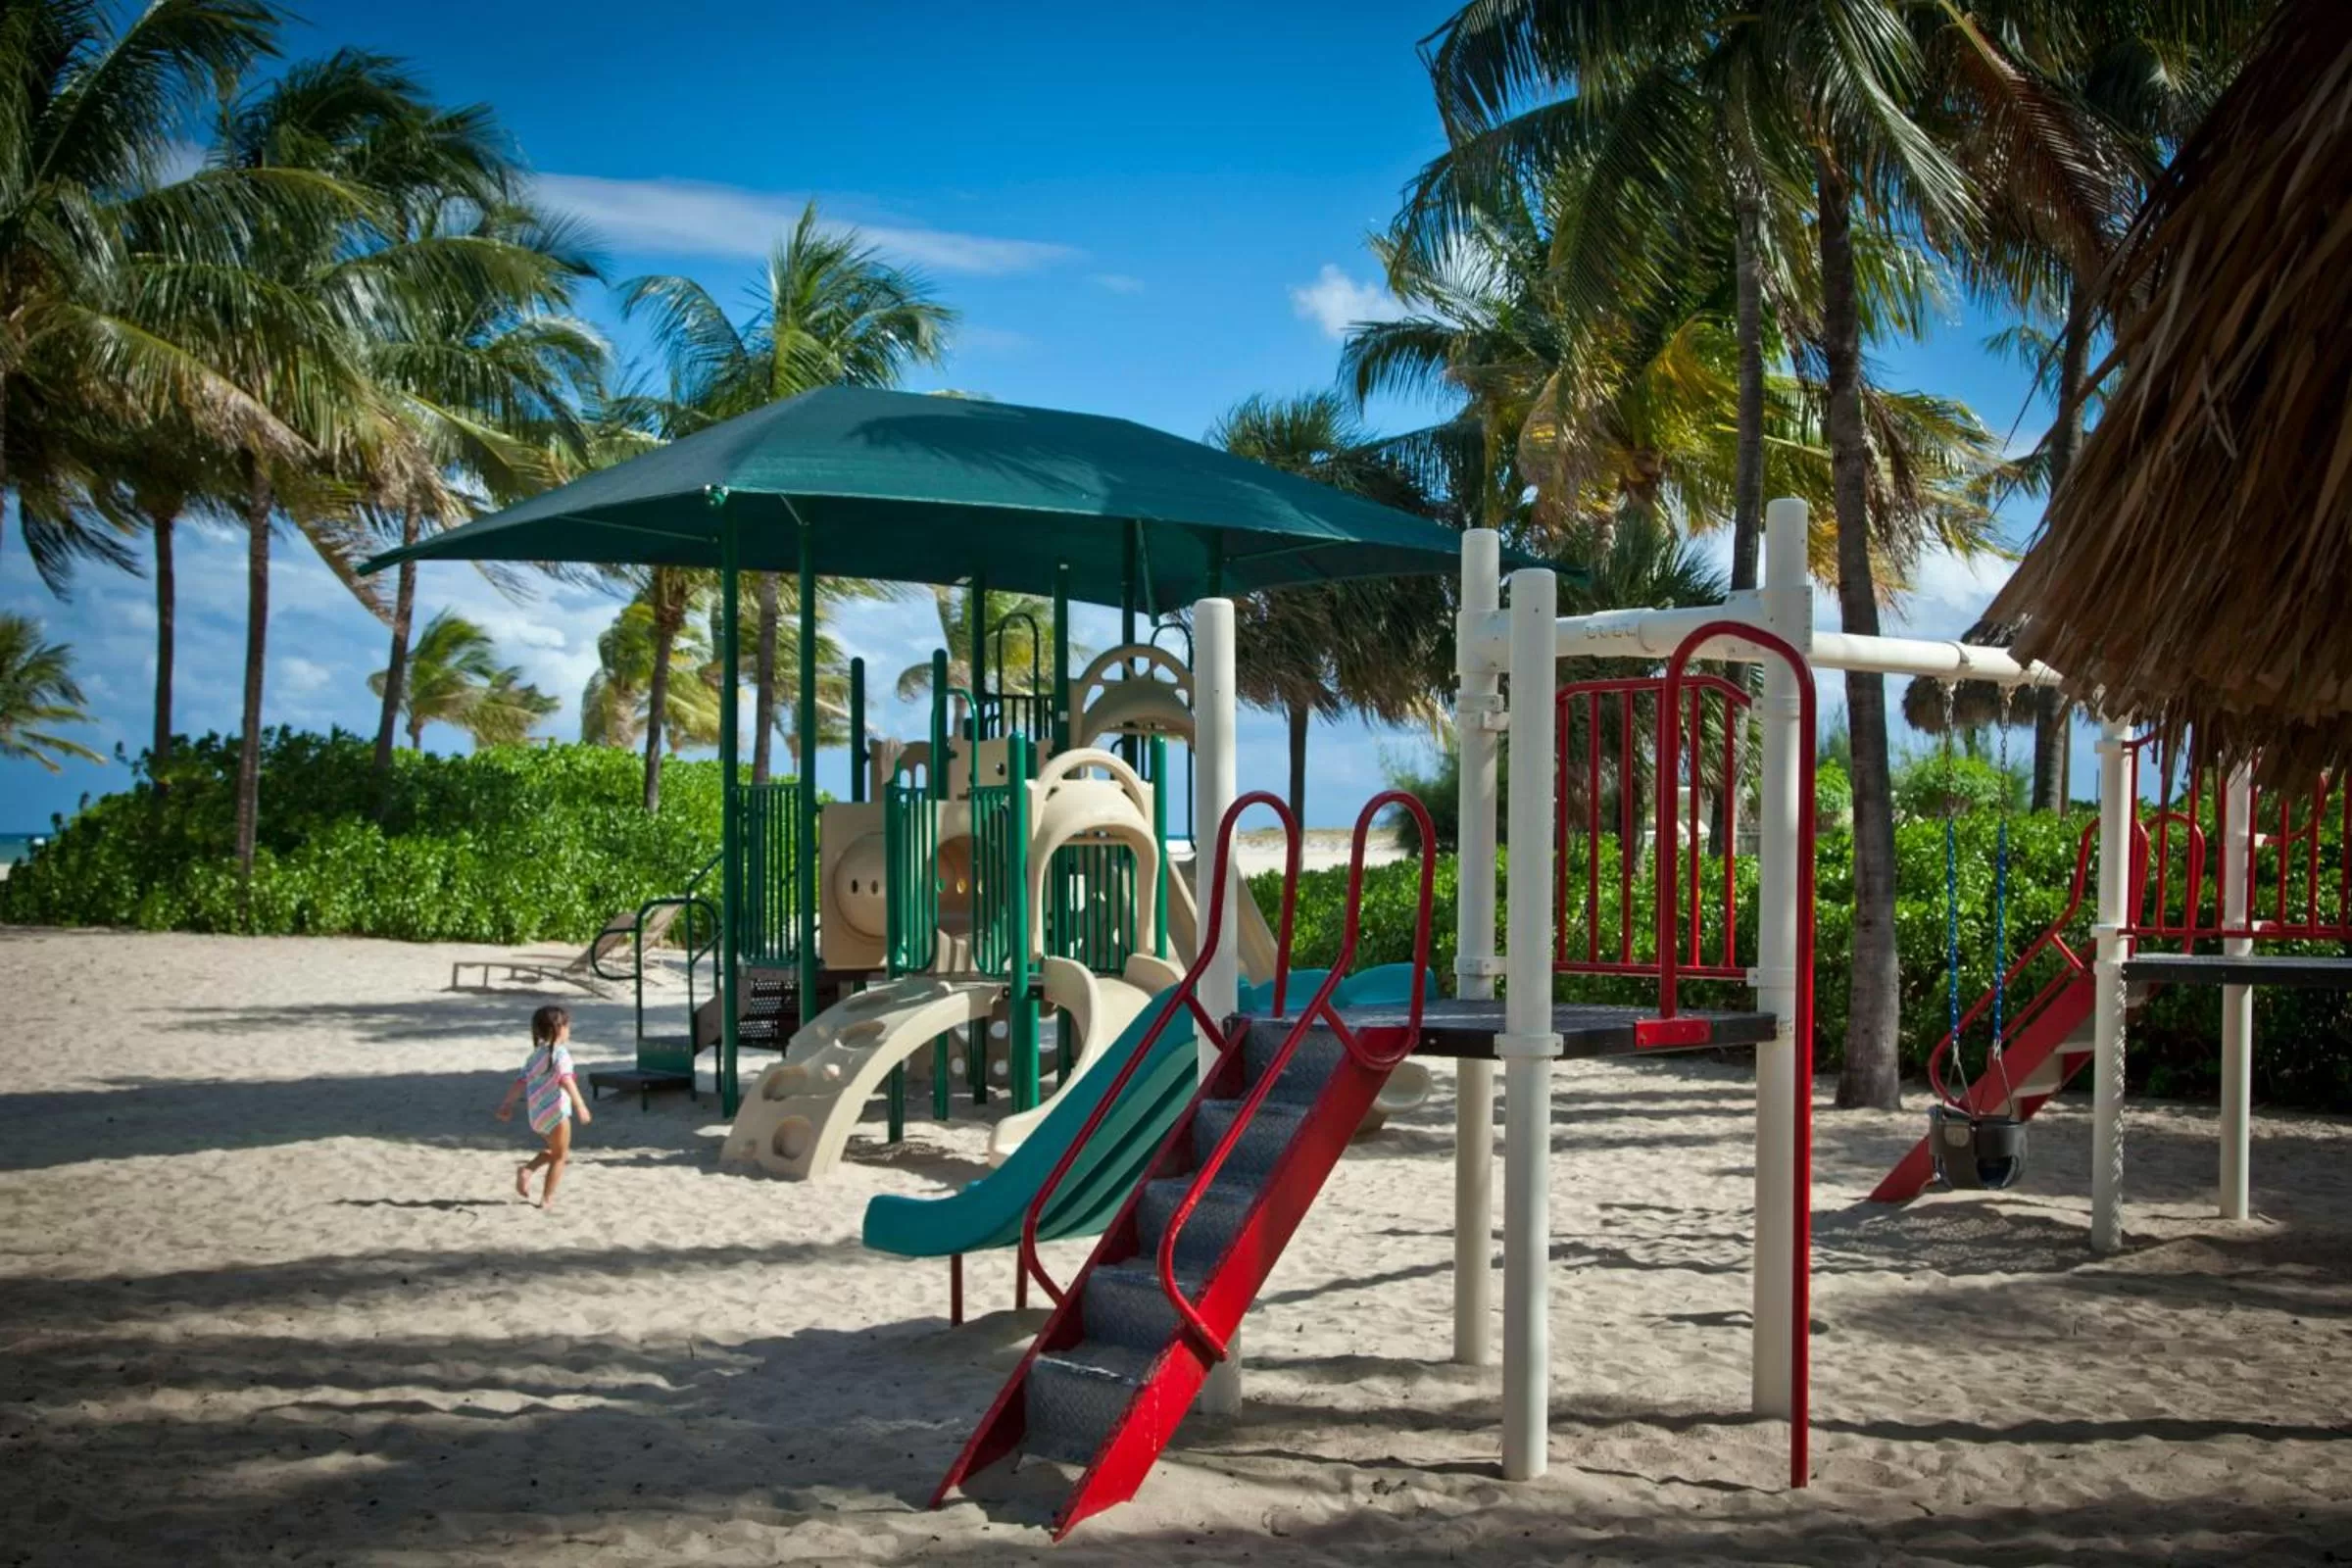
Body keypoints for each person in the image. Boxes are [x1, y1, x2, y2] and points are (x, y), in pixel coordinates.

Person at [496, 1004, 591, 1209]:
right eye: (568, 1026)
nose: (570, 1030)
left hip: (537, 1115)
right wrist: (581, 1105)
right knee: (561, 1156)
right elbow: (566, 1080)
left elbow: (520, 1082)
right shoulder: (561, 1054)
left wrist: (507, 1104)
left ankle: (527, 1170)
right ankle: (546, 1199)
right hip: (556, 1113)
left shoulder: (534, 1056)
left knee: (555, 1150)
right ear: (559, 1028)